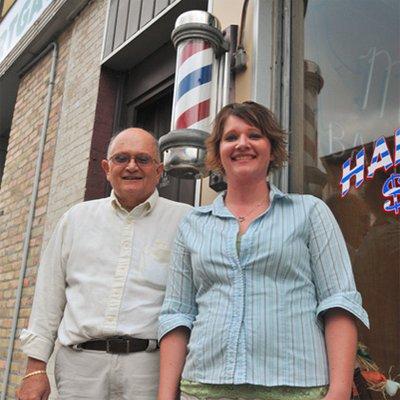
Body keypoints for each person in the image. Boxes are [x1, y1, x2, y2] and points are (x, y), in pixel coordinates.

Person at [157, 102, 369, 400]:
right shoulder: (192, 224)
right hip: (205, 387)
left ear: (272, 148)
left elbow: (339, 303)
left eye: (254, 135)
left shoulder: (310, 212)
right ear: (217, 152)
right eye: (231, 137)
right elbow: (177, 313)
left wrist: (339, 391)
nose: (242, 143)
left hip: (297, 389)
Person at [17, 128, 192, 400]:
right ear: (106, 168)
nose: (132, 166)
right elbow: (48, 297)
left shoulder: (186, 221)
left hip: (150, 370)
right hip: (80, 369)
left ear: (159, 171)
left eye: (143, 159)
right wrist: (35, 368)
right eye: (122, 158)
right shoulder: (76, 219)